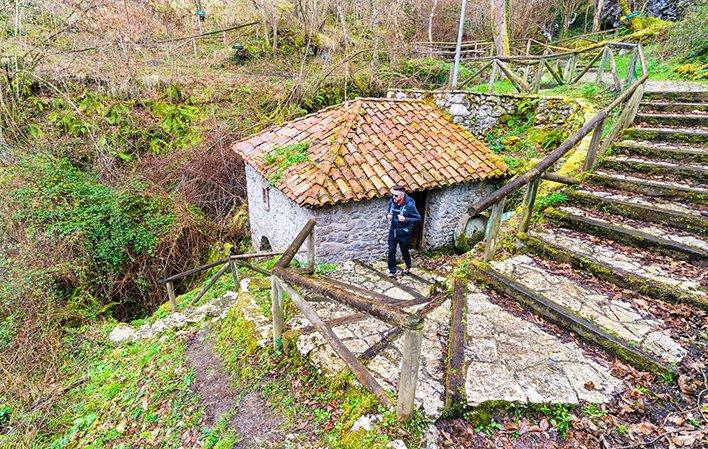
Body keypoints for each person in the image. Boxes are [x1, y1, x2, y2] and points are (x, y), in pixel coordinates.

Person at [386, 185, 421, 277]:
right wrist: (388, 216)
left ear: (402, 195)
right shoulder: (392, 202)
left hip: (404, 233)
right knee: (391, 251)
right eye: (393, 195)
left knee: (404, 251)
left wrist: (405, 219)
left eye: (396, 196)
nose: (393, 197)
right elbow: (388, 211)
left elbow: (417, 218)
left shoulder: (410, 204)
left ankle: (408, 266)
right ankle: (392, 270)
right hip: (393, 231)